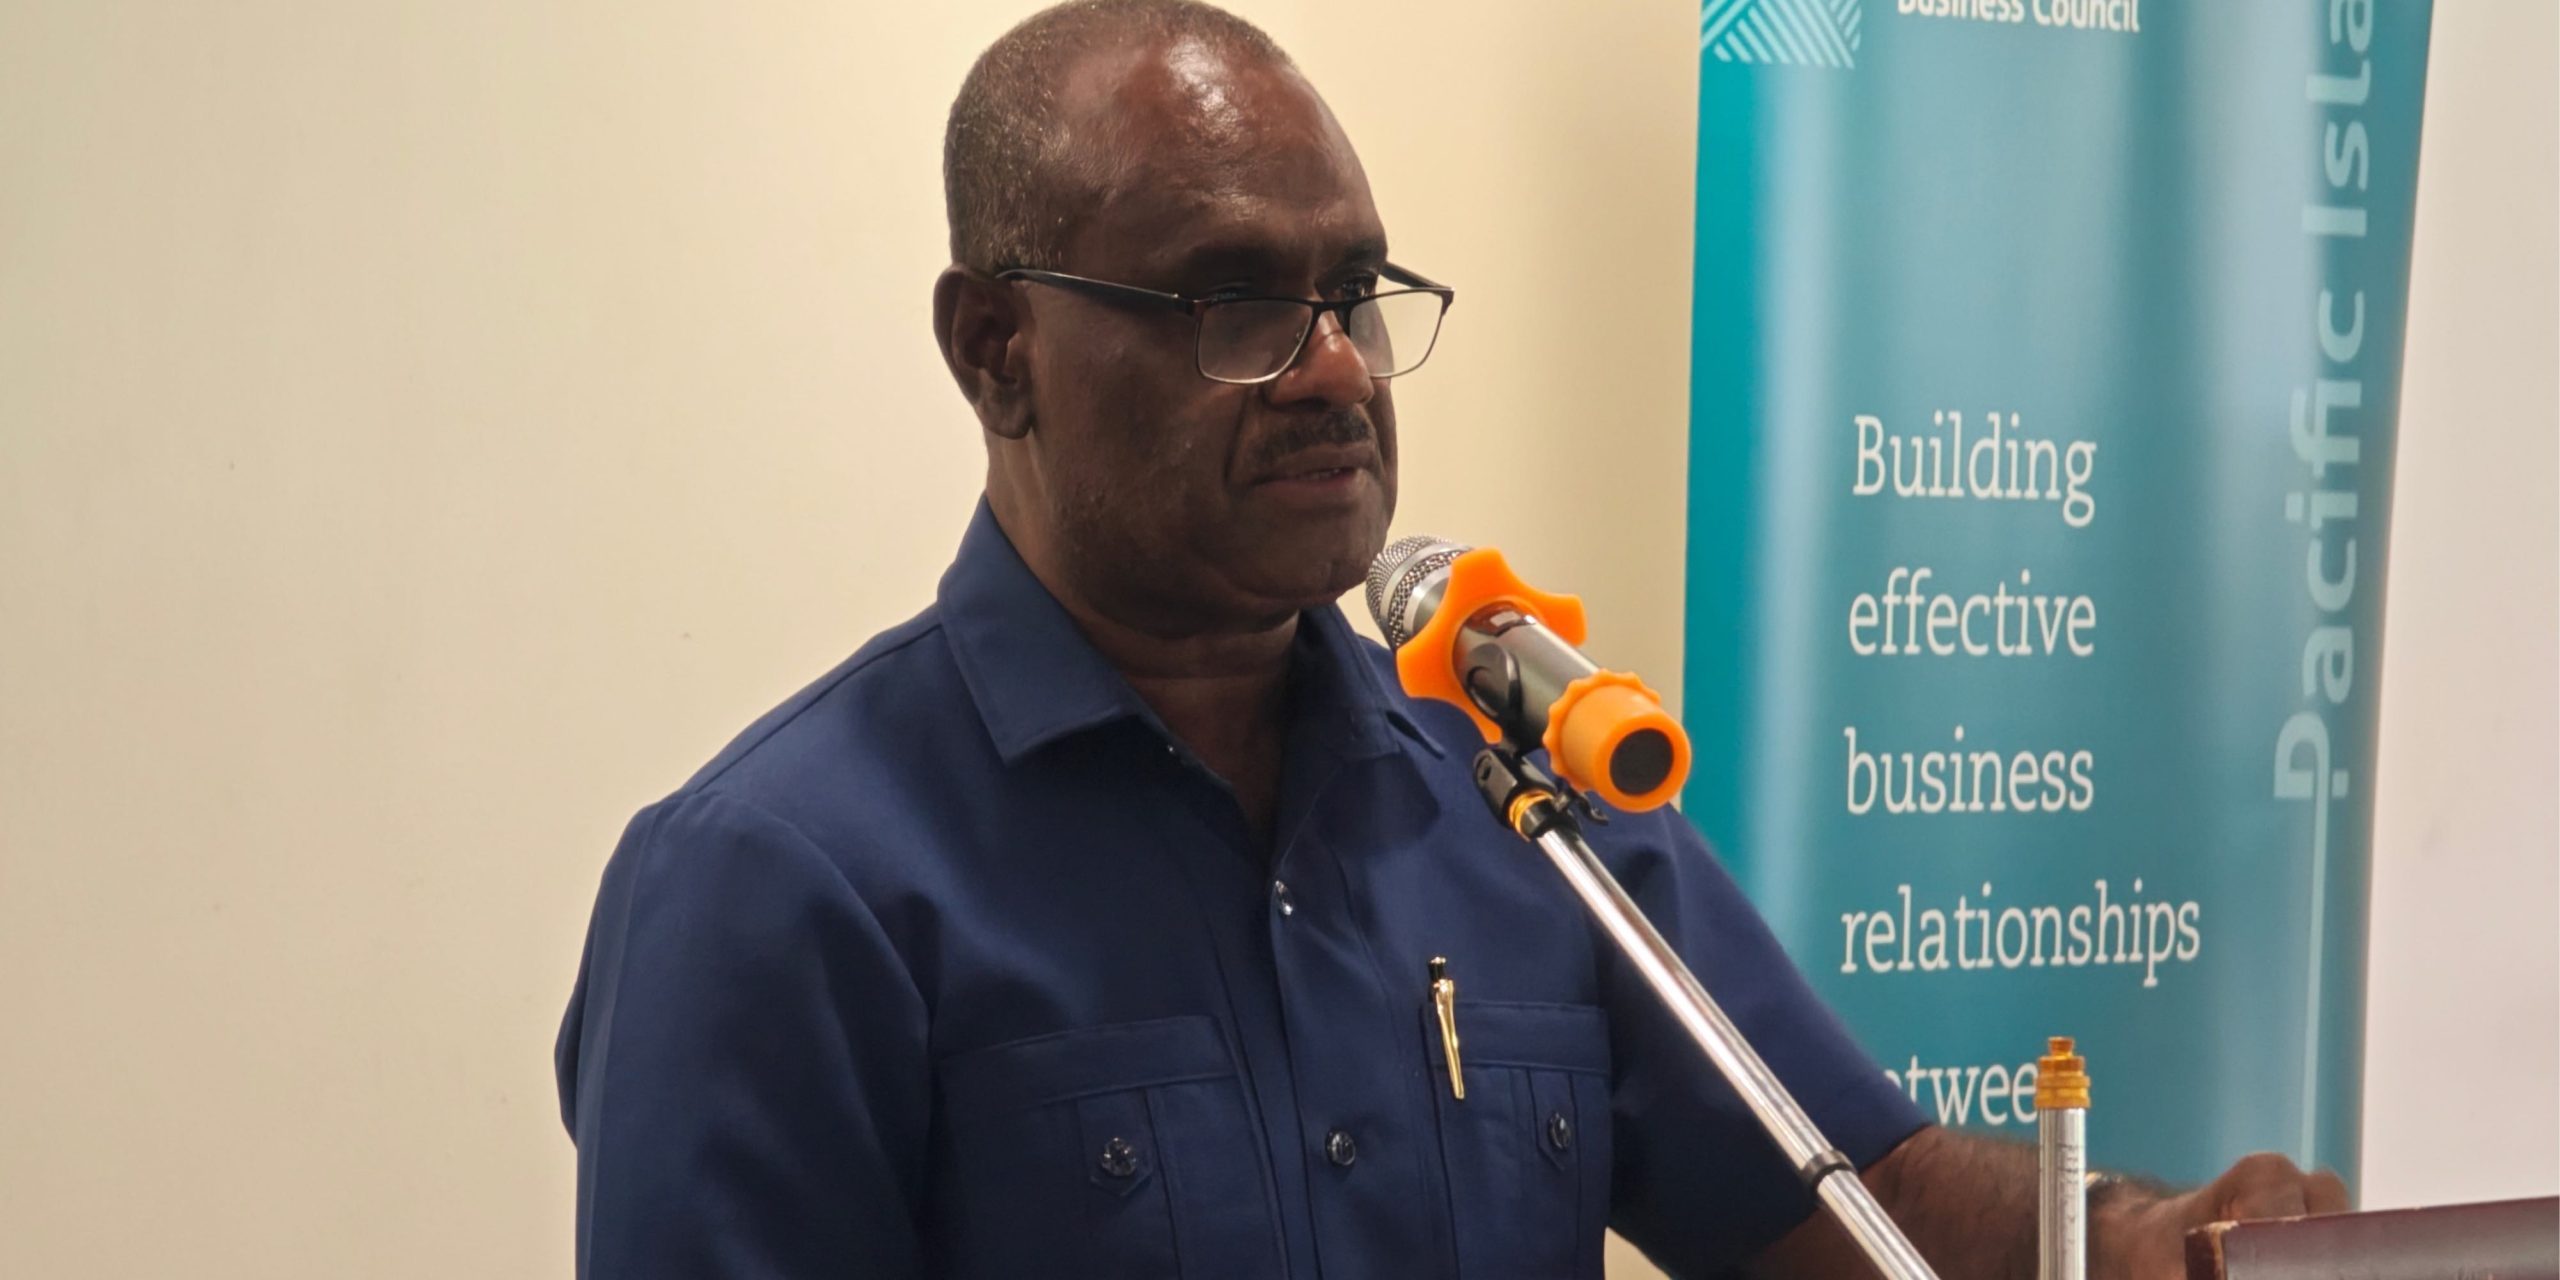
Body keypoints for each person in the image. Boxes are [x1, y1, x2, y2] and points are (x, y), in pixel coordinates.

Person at [553, 2, 2347, 1276]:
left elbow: (1852, 1200)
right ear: (995, 350)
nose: (1335, 366)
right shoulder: (777, 883)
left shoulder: (1516, 795)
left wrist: (2161, 1242)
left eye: (1355, 292)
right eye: (1237, 302)